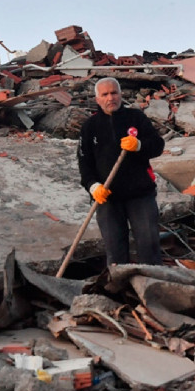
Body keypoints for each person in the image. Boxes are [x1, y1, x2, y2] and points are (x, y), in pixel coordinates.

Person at [78, 77, 165, 265]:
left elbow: (158, 145)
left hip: (140, 194)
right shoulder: (89, 127)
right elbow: (84, 163)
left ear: (120, 94)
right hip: (107, 198)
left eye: (114, 92)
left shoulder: (136, 118)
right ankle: (120, 290)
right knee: (115, 252)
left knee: (149, 246)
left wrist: (140, 144)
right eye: (105, 94)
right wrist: (93, 187)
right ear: (98, 99)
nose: (111, 98)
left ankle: (153, 287)